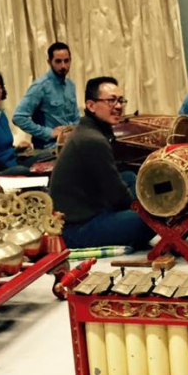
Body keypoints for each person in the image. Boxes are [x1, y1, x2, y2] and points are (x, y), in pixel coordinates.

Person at [49, 76, 155, 250]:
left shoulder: (89, 130)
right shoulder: (92, 140)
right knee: (151, 219)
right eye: (111, 101)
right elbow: (117, 195)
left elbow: (114, 185)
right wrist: (141, 208)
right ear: (91, 105)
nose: (118, 106)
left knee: (128, 177)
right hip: (76, 228)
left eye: (120, 100)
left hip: (90, 208)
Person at [13, 42, 80, 149]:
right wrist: (49, 133)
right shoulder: (40, 86)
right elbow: (18, 117)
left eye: (66, 61)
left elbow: (76, 117)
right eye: (58, 61)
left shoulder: (70, 85)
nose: (63, 66)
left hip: (71, 144)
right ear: (49, 62)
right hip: (50, 148)